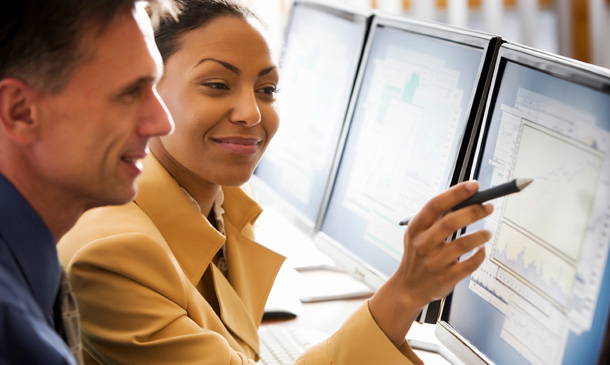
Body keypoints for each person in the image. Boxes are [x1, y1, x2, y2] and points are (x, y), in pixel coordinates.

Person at [57, 0, 494, 364]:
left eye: (267, 89)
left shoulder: (218, 199)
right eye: (216, 84)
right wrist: (404, 292)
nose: (251, 112)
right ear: (149, 90)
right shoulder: (112, 255)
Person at [0, 0, 177, 363]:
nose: (163, 122)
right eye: (130, 92)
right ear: (20, 111)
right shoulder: (18, 341)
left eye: (156, 86)